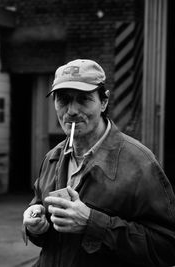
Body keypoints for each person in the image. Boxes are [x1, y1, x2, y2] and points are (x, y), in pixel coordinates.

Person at [22, 59, 175, 267]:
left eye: (84, 99)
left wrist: (92, 222)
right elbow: (40, 211)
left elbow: (166, 247)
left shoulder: (140, 163)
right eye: (63, 99)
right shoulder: (53, 157)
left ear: (104, 102)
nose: (72, 110)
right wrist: (34, 223)